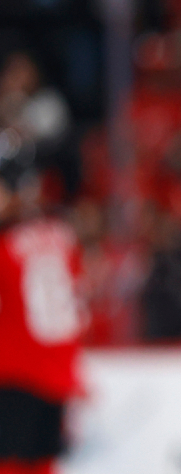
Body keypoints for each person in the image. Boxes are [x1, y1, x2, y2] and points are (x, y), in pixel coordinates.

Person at [0, 164, 84, 474]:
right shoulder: (62, 235)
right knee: (43, 463)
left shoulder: (6, 245)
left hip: (15, 371)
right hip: (59, 371)